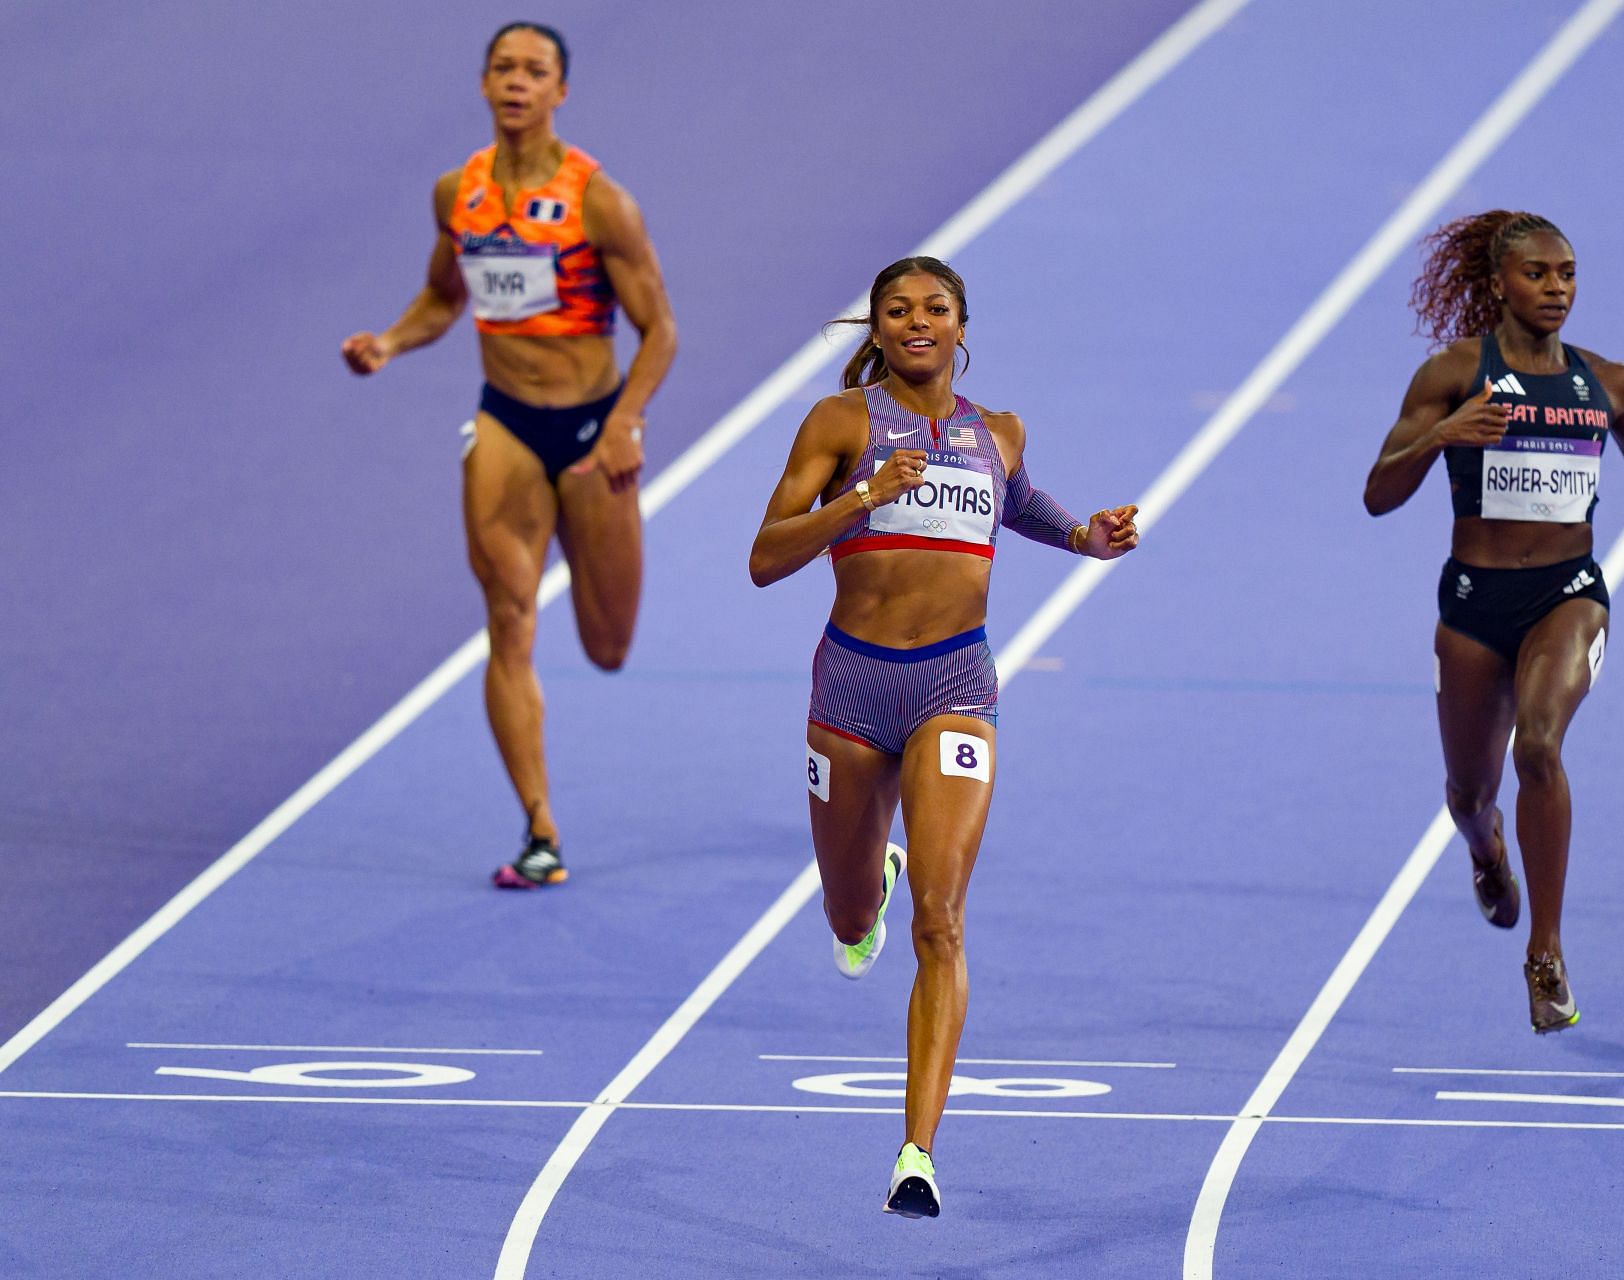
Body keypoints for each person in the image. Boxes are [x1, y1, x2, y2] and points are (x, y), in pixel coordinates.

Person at [750, 256, 1139, 1216]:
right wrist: (861, 498)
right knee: (851, 921)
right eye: (897, 309)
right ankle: (861, 890)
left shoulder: (995, 432)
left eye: (935, 309)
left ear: (964, 326)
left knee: (943, 917)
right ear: (875, 329)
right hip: (850, 692)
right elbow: (764, 559)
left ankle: (916, 1152)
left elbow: (1020, 501)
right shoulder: (838, 426)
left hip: (954, 686)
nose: (916, 321)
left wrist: (1087, 536)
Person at [342, 22, 676, 887]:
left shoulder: (600, 202)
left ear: (560, 91)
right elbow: (442, 296)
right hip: (504, 427)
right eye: (504, 69)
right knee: (508, 619)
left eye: (535, 71)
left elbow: (661, 332)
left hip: (592, 432)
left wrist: (625, 423)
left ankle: (588, 557)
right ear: (485, 85)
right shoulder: (460, 193)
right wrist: (389, 342)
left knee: (608, 645)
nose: (517, 82)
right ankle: (540, 830)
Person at [1363, 210, 1624, 1033]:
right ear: (1498, 284)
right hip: (1476, 606)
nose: (1557, 289)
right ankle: (1486, 849)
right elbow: (1378, 493)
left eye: (1568, 274)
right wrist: (1446, 432)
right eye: (1539, 274)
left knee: (1540, 745)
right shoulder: (1452, 373)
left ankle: (1544, 953)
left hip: (1568, 595)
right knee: (1471, 790)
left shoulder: (1606, 383)